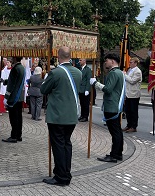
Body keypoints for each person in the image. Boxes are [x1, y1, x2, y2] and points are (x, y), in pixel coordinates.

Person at [40, 47, 81, 186]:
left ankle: (61, 177)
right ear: (70, 56)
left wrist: (46, 79)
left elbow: (43, 89)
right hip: (71, 115)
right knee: (66, 144)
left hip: (57, 115)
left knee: (58, 146)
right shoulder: (78, 72)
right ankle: (66, 173)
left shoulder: (56, 72)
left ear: (58, 56)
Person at [90, 53, 126, 162]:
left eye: (107, 60)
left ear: (113, 61)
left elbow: (108, 89)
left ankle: (114, 155)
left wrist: (96, 83)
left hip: (112, 106)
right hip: (114, 105)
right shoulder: (118, 72)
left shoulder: (114, 73)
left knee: (115, 132)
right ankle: (117, 154)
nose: (105, 62)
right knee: (117, 131)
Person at [2, 56, 26, 143]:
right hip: (19, 96)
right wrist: (5, 81)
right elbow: (14, 81)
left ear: (15, 59)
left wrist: (6, 97)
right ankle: (18, 135)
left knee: (13, 117)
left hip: (14, 96)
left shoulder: (15, 69)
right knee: (19, 117)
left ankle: (14, 136)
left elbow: (12, 84)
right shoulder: (22, 68)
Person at [123, 57, 142, 133]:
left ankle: (134, 126)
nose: (130, 63)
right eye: (130, 62)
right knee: (127, 110)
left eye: (131, 62)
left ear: (135, 63)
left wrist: (124, 75)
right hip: (128, 93)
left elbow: (132, 81)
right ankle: (129, 124)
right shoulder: (129, 70)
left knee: (133, 111)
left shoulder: (138, 71)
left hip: (134, 94)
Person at [77, 58, 92, 122]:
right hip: (80, 89)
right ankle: (82, 115)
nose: (79, 61)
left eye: (80, 60)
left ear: (84, 61)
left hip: (85, 89)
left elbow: (88, 79)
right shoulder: (80, 69)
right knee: (82, 103)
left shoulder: (88, 69)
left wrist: (87, 89)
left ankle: (85, 116)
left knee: (86, 104)